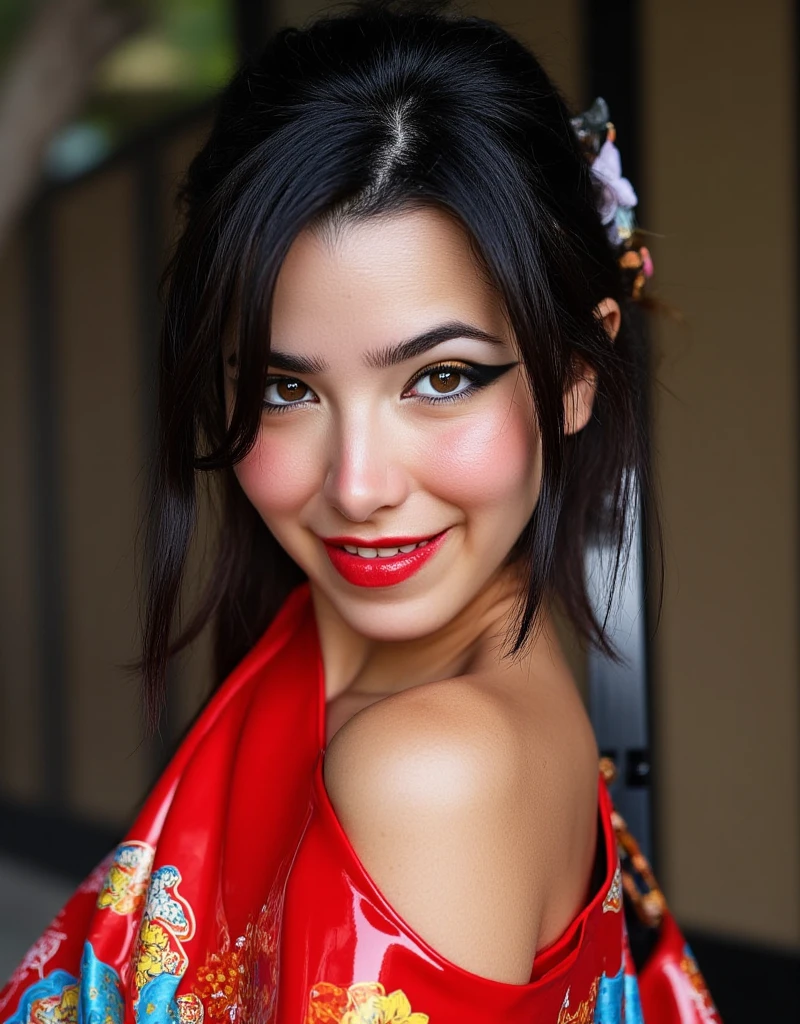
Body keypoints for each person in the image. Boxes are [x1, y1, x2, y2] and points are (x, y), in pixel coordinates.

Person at [0, 2, 722, 1021]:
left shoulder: (428, 770)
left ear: (571, 375)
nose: (356, 485)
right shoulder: (383, 655)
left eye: (439, 377)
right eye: (285, 388)